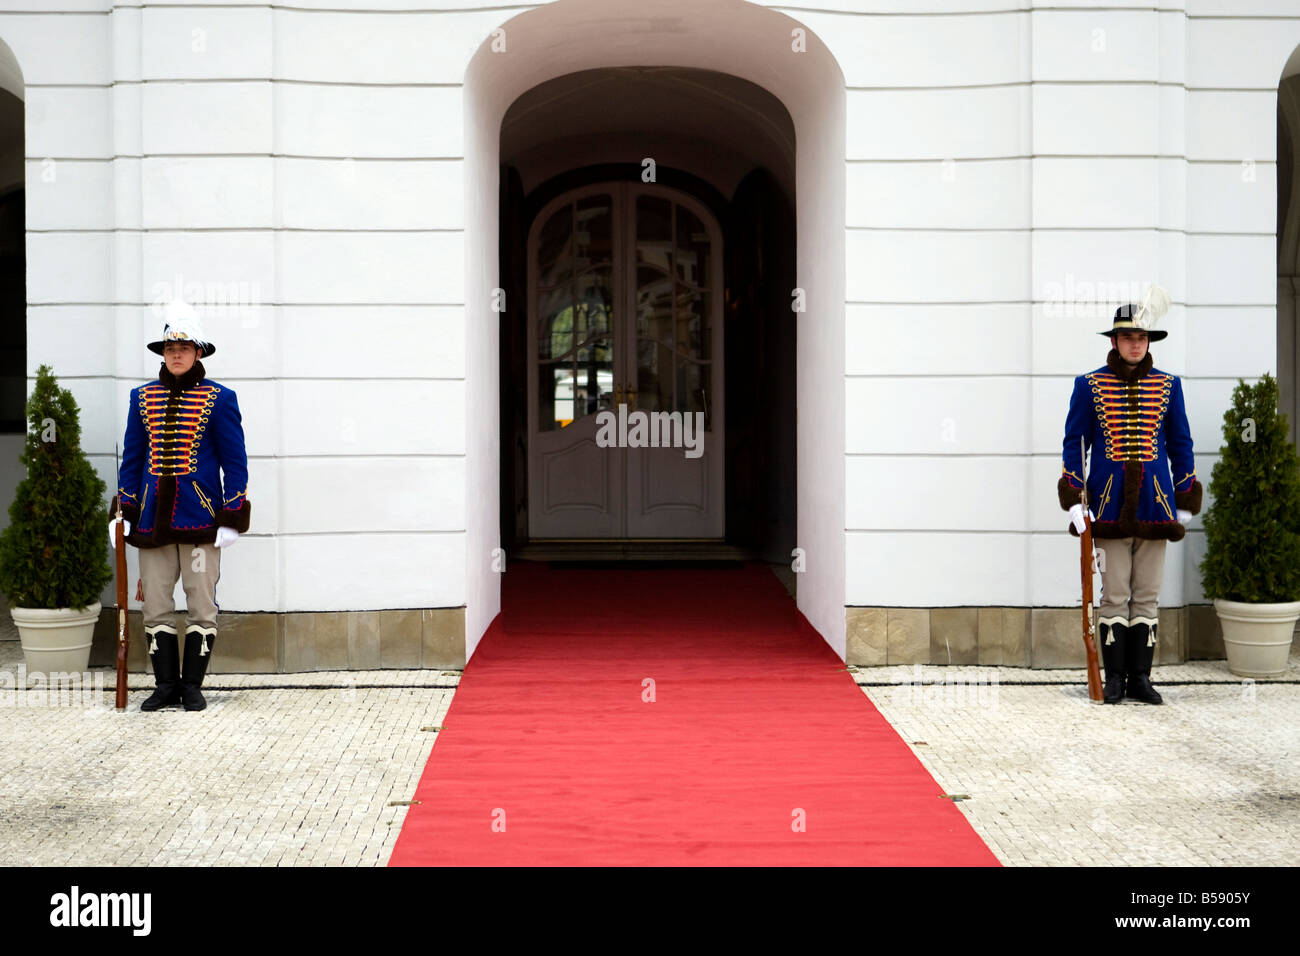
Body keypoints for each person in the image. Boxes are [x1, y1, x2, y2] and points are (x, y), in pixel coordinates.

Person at [1058, 286, 1201, 705]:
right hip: (1106, 503)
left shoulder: (1169, 386)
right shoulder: (1088, 386)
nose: (1135, 344)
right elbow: (1074, 442)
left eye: (1141, 338)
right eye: (1128, 338)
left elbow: (1181, 444)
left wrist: (1185, 495)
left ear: (1148, 342)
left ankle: (1141, 678)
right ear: (1114, 342)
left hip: (1156, 506)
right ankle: (1115, 677)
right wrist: (1073, 496)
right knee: (1115, 594)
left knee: (1149, 595)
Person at [110, 306, 250, 711]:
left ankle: (192, 685)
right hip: (153, 523)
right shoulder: (142, 398)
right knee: (155, 603)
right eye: (171, 347)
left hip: (202, 522)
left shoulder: (221, 399)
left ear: (198, 353)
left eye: (184, 347)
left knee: (201, 604)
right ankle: (165, 686)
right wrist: (124, 512)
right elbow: (133, 461)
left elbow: (235, 462)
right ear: (163, 352)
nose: (176, 354)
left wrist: (232, 515)